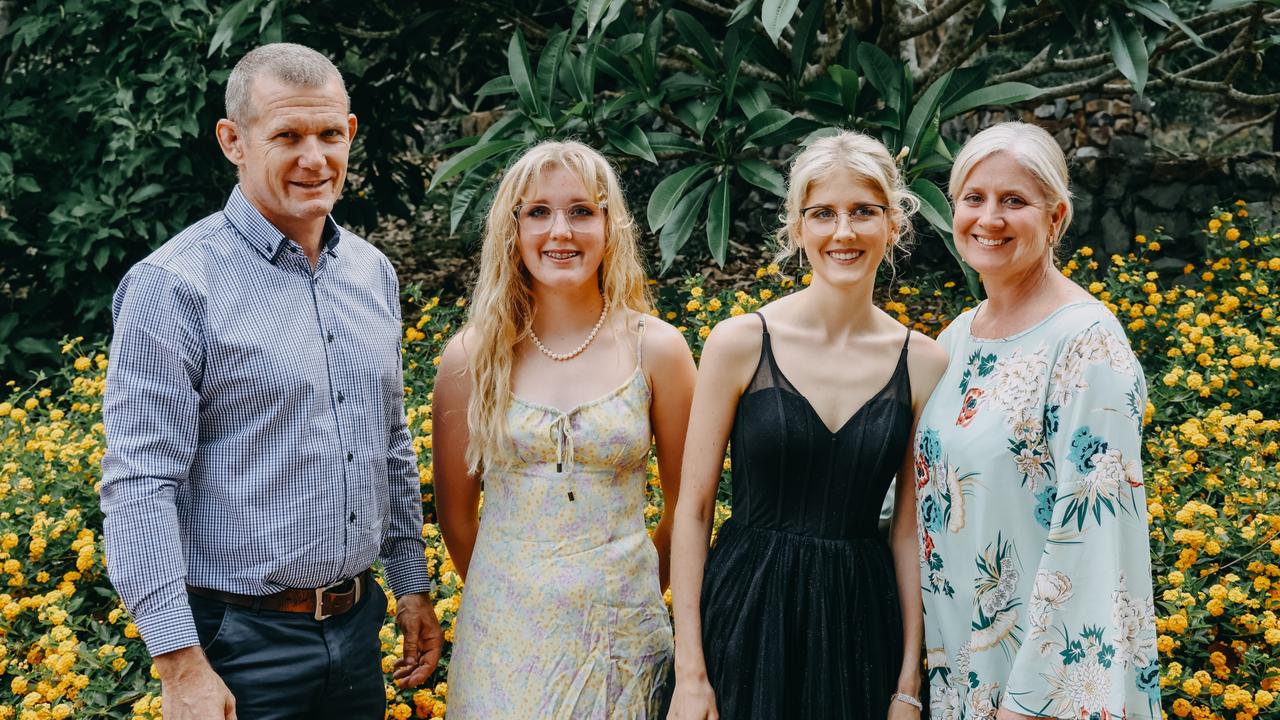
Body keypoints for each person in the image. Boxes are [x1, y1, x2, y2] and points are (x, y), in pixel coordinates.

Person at [101, 43, 442, 720]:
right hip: (235, 645)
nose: (314, 159)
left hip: (355, 631)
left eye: (328, 134)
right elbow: (141, 482)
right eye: (286, 136)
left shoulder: (372, 274)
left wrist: (411, 585)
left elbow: (389, 443)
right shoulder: (173, 286)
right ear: (235, 140)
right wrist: (179, 663)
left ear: (349, 132)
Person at [667, 130, 949, 719]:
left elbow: (907, 532)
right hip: (746, 613)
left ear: (893, 224)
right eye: (823, 214)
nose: (843, 233)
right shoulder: (740, 344)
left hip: (859, 624)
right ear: (797, 228)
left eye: (863, 212)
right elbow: (692, 513)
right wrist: (691, 672)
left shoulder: (924, 364)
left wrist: (907, 685)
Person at [432, 140, 697, 718]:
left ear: (609, 225)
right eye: (538, 212)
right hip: (503, 640)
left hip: (620, 638)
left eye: (581, 211)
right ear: (512, 229)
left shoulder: (658, 350)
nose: (561, 232)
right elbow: (455, 516)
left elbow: (689, 506)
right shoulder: (470, 358)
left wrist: (630, 584)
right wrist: (516, 590)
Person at [914, 121, 1161, 720]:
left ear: (1057, 219)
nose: (989, 219)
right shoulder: (959, 336)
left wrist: (1031, 704)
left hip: (1040, 688)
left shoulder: (1087, 345)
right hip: (959, 670)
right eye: (974, 199)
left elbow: (1096, 540)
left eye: (1014, 201)